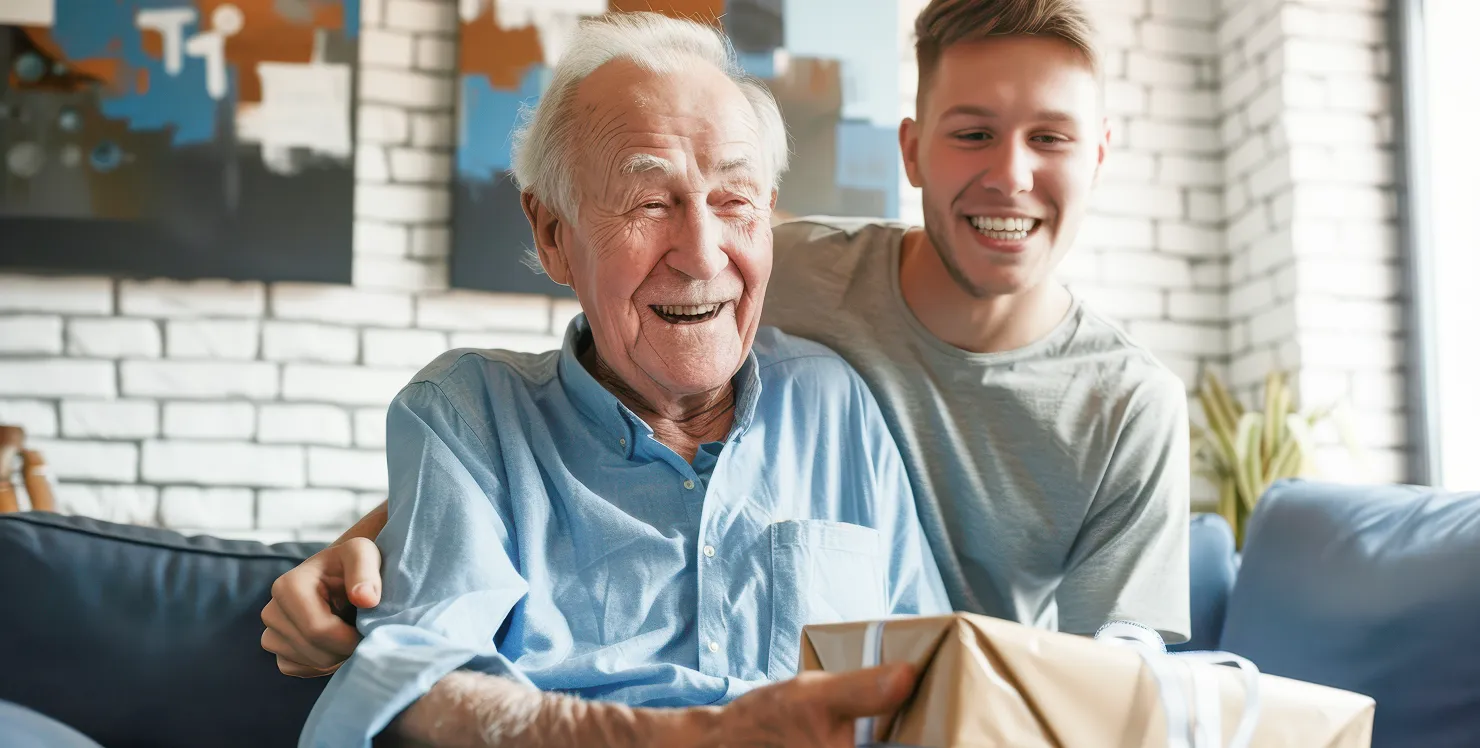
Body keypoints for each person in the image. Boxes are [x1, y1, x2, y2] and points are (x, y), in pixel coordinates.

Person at [266, 0, 1190, 687]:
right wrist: (353, 559)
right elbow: (525, 420)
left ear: (1099, 152)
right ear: (913, 150)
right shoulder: (791, 263)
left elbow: (1105, 684)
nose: (1011, 174)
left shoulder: (1125, 406)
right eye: (974, 132)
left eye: (1052, 137)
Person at [292, 11, 948, 747]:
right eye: (651, 202)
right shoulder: (470, 414)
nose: (702, 255)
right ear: (552, 234)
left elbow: (933, 680)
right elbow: (417, 689)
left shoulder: (835, 407)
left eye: (734, 200)